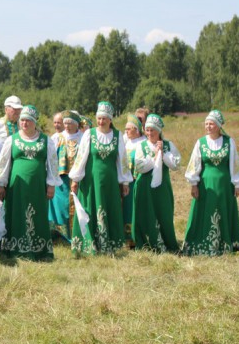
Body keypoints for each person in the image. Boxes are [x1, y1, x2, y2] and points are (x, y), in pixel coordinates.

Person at [0, 105, 61, 260]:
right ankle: (14, 250)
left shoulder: (46, 141)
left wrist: (51, 185)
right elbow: (3, 163)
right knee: (15, 215)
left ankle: (39, 251)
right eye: (22, 120)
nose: (24, 123)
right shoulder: (12, 140)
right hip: (16, 187)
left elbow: (52, 164)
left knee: (37, 215)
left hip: (37, 188)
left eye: (28, 120)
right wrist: (0, 184)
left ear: (35, 122)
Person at [69, 101, 132, 255]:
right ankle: (88, 245)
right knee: (90, 208)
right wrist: (75, 179)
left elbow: (122, 160)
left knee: (109, 208)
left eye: (104, 118)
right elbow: (81, 157)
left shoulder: (117, 136)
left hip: (109, 182)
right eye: (99, 118)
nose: (101, 121)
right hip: (91, 181)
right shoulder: (89, 134)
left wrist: (124, 181)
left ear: (110, 119)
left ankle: (109, 244)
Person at [183, 110, 239, 256]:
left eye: (211, 124)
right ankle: (202, 244)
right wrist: (193, 184)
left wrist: (238, 184)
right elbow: (194, 164)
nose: (208, 127)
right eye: (206, 124)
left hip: (224, 186)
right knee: (205, 211)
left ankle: (225, 244)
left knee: (223, 210)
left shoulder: (229, 142)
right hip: (206, 186)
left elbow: (235, 164)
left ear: (218, 125)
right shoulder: (201, 142)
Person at [131, 114, 181, 252]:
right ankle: (146, 244)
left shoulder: (168, 145)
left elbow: (176, 165)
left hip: (162, 187)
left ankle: (166, 243)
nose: (149, 133)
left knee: (164, 213)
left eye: (152, 130)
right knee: (145, 214)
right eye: (147, 130)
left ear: (159, 131)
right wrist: (155, 157)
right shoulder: (142, 146)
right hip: (144, 187)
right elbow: (139, 167)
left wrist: (163, 154)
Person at [48, 111, 83, 242]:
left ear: (76, 124)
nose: (67, 126)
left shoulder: (83, 137)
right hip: (61, 180)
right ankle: (60, 234)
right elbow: (50, 158)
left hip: (79, 179)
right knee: (61, 205)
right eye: (65, 123)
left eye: (70, 123)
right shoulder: (57, 138)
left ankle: (77, 233)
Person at [123, 114, 145, 247]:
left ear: (136, 130)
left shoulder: (142, 143)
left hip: (137, 180)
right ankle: (127, 237)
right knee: (126, 207)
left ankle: (137, 237)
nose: (126, 131)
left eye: (129, 129)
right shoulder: (126, 142)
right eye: (125, 129)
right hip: (126, 180)